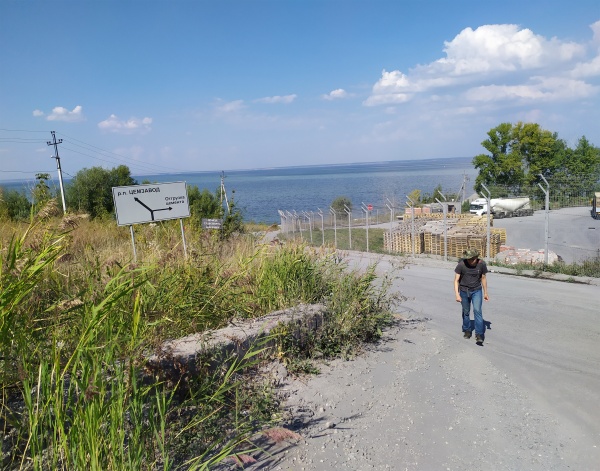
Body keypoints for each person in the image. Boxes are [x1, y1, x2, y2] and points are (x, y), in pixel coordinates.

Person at [454, 247, 489, 344]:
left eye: (472, 259)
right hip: (464, 291)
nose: (470, 261)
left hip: (477, 291)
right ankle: (467, 330)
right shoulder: (461, 265)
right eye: (468, 259)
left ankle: (479, 334)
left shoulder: (481, 264)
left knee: (477, 311)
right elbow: (456, 280)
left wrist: (485, 292)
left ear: (476, 257)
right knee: (466, 312)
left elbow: (483, 278)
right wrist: (457, 294)